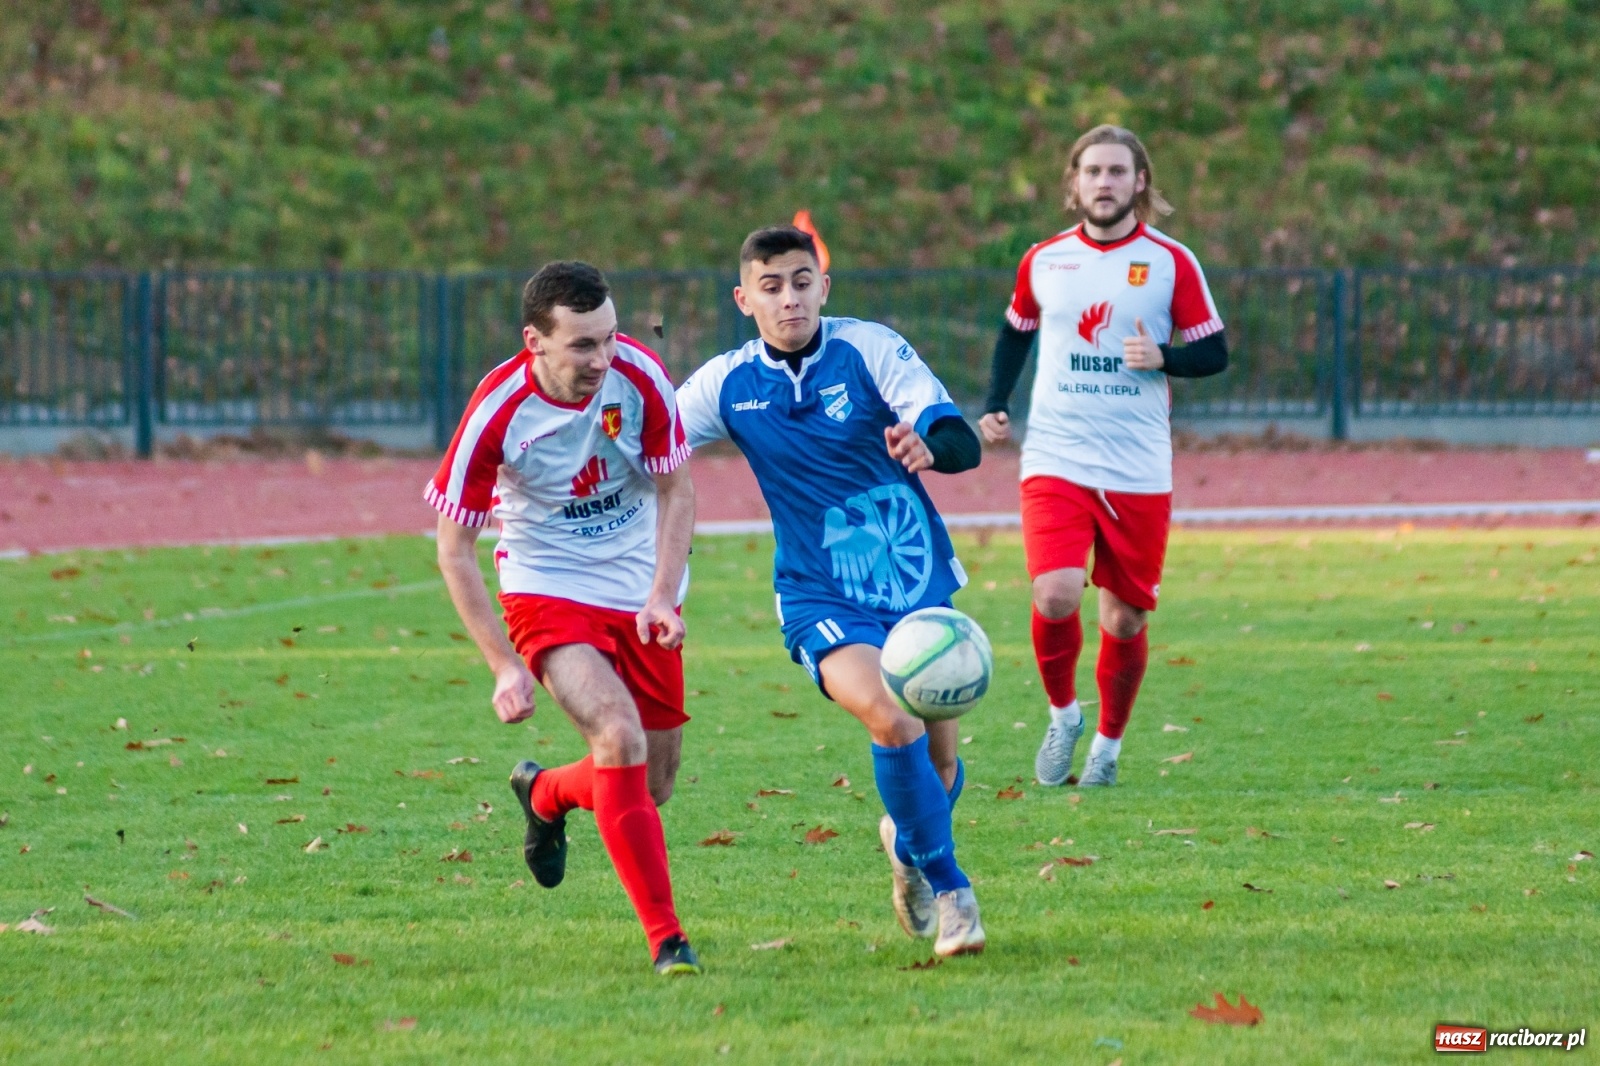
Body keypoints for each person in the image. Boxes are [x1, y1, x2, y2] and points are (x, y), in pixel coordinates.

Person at [676, 225, 988, 957]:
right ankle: (955, 894)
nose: (789, 298)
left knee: (939, 767)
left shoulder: (869, 349)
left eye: (801, 281)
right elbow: (649, 444)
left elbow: (958, 437)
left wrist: (927, 444)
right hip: (820, 594)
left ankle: (908, 845)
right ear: (745, 298)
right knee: (891, 718)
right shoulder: (727, 382)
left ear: (823, 285)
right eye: (772, 285)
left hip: (914, 581)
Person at [426, 261, 703, 976]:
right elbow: (454, 550)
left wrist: (661, 596)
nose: (601, 359)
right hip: (547, 584)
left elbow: (678, 490)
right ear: (534, 341)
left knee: (655, 781)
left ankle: (546, 791)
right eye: (582, 346)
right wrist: (502, 666)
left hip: (639, 579)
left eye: (608, 339)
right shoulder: (497, 410)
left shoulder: (640, 379)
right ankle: (668, 939)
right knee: (617, 734)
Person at [979, 125, 1229, 789]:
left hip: (1137, 464)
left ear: (1140, 181)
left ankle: (1108, 747)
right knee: (1055, 591)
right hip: (1057, 453)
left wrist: (1165, 358)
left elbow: (1215, 350)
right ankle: (1063, 716)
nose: (1105, 182)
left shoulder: (1172, 262)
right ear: (1075, 183)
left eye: (1118, 171)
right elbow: (1016, 330)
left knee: (1125, 615)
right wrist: (995, 402)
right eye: (1093, 171)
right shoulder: (1045, 260)